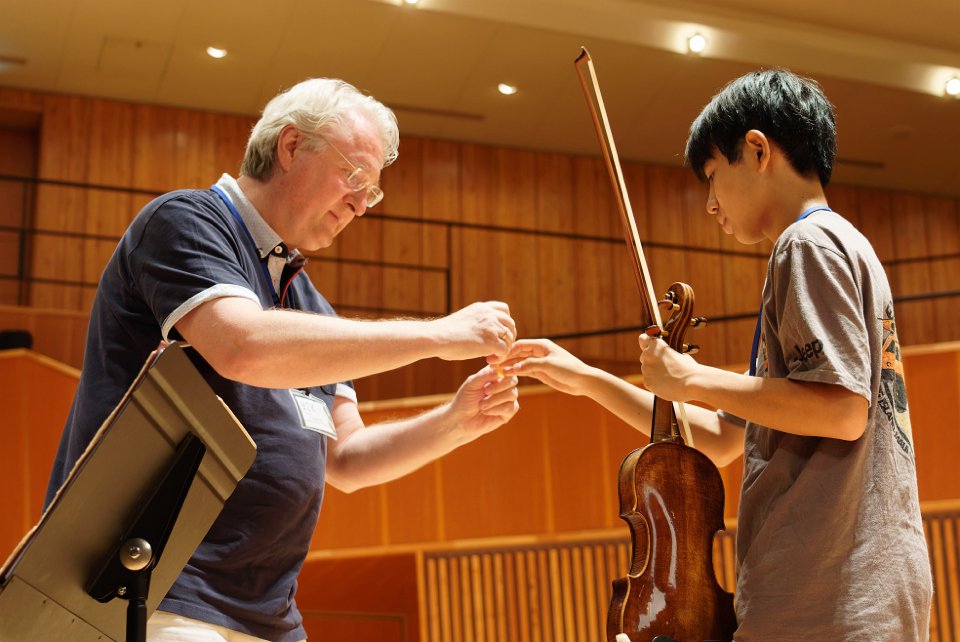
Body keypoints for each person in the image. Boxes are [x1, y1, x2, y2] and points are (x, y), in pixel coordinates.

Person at [44, 78, 520, 642]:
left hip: (267, 614)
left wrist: (455, 422)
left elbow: (347, 460)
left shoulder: (311, 306)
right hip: (156, 592)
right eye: (356, 177)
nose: (361, 204)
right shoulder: (186, 221)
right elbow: (241, 345)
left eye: (371, 192)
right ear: (291, 147)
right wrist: (437, 334)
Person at [505, 69, 932, 640]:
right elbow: (722, 439)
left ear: (757, 150)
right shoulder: (839, 245)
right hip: (841, 589)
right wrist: (587, 378)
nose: (710, 203)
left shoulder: (805, 244)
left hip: (828, 593)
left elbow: (842, 409)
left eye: (712, 177)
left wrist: (693, 377)